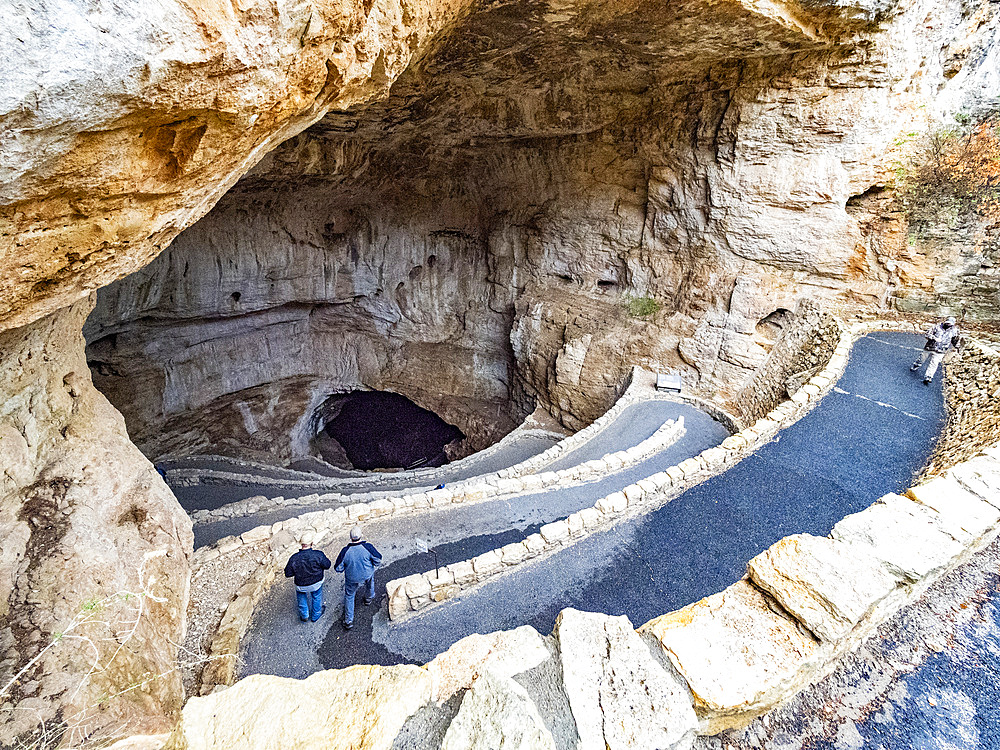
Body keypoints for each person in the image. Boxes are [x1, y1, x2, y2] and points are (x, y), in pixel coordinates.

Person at [334, 526, 382, 631]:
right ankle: (368, 598)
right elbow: (378, 560)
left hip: (352, 577)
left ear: (350, 537)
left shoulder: (345, 551)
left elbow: (338, 568)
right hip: (367, 573)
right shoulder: (367, 547)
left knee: (349, 595)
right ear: (361, 536)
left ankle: (348, 621)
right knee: (370, 583)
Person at [283, 531, 331, 622]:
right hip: (316, 583)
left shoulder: (294, 558)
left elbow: (288, 574)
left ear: (301, 544)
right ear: (312, 543)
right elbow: (327, 565)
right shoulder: (318, 555)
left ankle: (304, 615)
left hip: (301, 585)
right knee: (316, 596)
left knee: (301, 596)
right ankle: (316, 615)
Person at [912, 316, 961, 385]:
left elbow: (955, 340)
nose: (948, 325)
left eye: (950, 324)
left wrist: (958, 348)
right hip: (930, 347)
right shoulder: (936, 327)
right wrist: (934, 338)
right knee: (922, 359)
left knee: (934, 363)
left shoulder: (954, 331)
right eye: (947, 323)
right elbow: (927, 334)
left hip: (941, 350)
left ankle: (928, 376)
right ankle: (916, 365)